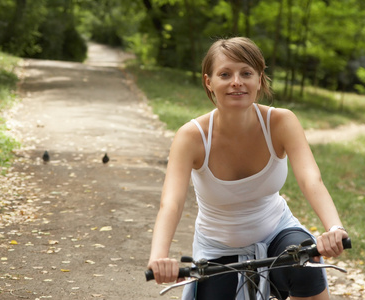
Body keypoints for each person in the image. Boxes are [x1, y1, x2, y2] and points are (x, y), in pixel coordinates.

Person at [147, 37, 348, 300]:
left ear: (260, 78)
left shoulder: (281, 122)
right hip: (218, 249)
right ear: (209, 81)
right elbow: (171, 203)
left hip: (277, 231)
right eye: (225, 74)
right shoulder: (191, 137)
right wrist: (159, 256)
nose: (237, 82)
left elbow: (312, 181)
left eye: (246, 73)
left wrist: (334, 228)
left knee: (303, 264)